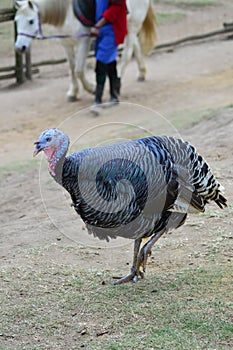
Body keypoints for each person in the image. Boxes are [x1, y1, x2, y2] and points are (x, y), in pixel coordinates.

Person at [90, 0, 127, 115]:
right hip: (101, 29)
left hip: (112, 29)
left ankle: (97, 100)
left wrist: (98, 25)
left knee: (101, 63)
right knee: (110, 62)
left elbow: (115, 8)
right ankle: (114, 96)